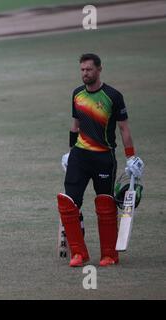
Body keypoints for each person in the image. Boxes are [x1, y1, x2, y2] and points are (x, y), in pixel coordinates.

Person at [58, 53, 145, 267]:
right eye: (82, 70)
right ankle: (78, 253)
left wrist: (131, 157)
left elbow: (124, 128)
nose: (84, 73)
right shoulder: (77, 94)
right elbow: (75, 124)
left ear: (99, 69)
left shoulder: (113, 96)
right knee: (69, 203)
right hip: (80, 156)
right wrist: (70, 152)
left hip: (104, 157)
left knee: (105, 204)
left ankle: (109, 254)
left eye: (88, 69)